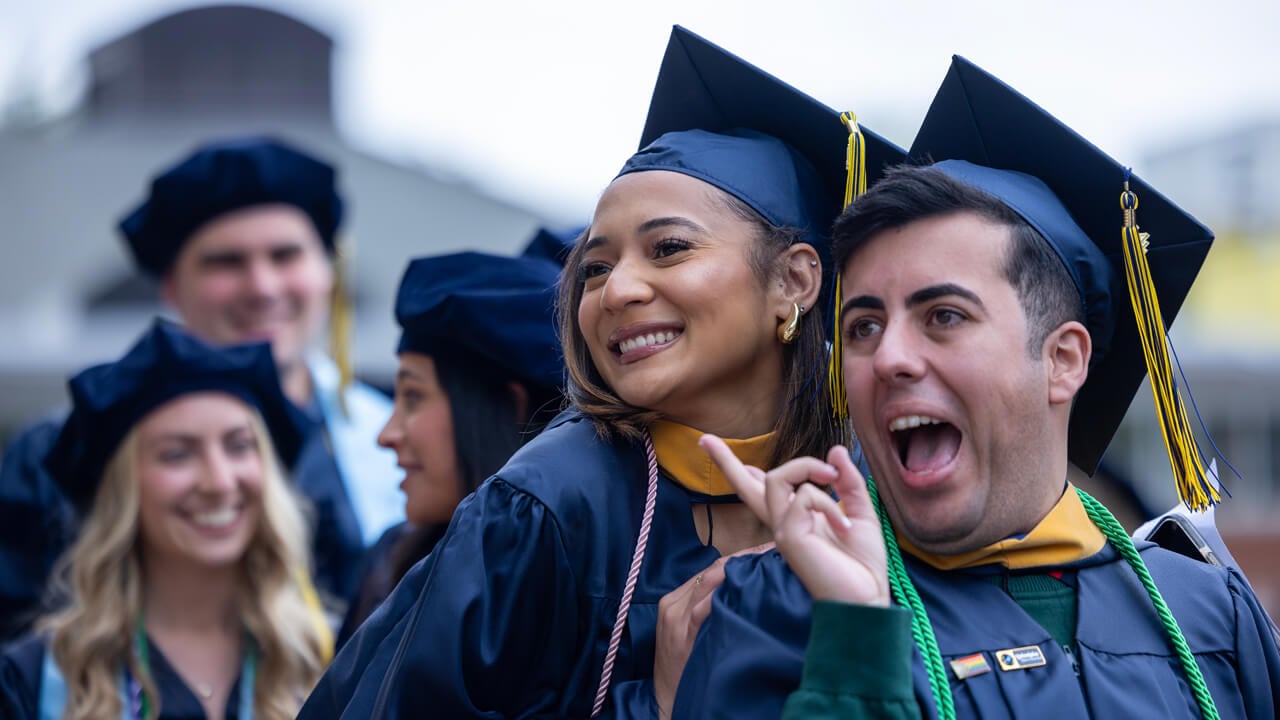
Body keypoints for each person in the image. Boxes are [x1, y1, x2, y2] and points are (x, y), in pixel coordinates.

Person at [296, 25, 902, 719]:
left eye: (668, 248)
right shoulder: (543, 511)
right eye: (596, 268)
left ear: (794, 280)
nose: (616, 292)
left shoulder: (873, 485)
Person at [674, 56, 1280, 719]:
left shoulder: (1205, 612)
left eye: (944, 317)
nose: (889, 357)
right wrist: (854, 637)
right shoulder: (781, 604)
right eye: (864, 326)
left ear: (1064, 361)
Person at [0, 138, 402, 636]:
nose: (262, 287)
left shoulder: (393, 441)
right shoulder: (60, 455)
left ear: (328, 273)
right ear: (170, 286)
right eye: (226, 262)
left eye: (286, 255)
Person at [0, 320, 331, 720]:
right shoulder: (40, 679)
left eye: (239, 446)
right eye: (177, 454)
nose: (219, 481)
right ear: (123, 492)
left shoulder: (330, 656)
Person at [337, 250, 566, 644]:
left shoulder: (577, 597)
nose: (386, 434)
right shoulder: (391, 563)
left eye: (413, 396)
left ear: (510, 407)